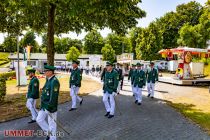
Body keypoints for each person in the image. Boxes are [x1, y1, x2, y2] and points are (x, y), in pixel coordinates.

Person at [36, 65, 60, 140]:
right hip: (44, 105)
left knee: (52, 123)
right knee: (39, 119)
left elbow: (54, 96)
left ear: (50, 72)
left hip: (50, 106)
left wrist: (50, 107)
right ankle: (49, 133)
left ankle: (53, 138)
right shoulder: (48, 79)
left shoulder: (54, 81)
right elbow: (46, 89)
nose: (44, 72)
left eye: (46, 71)